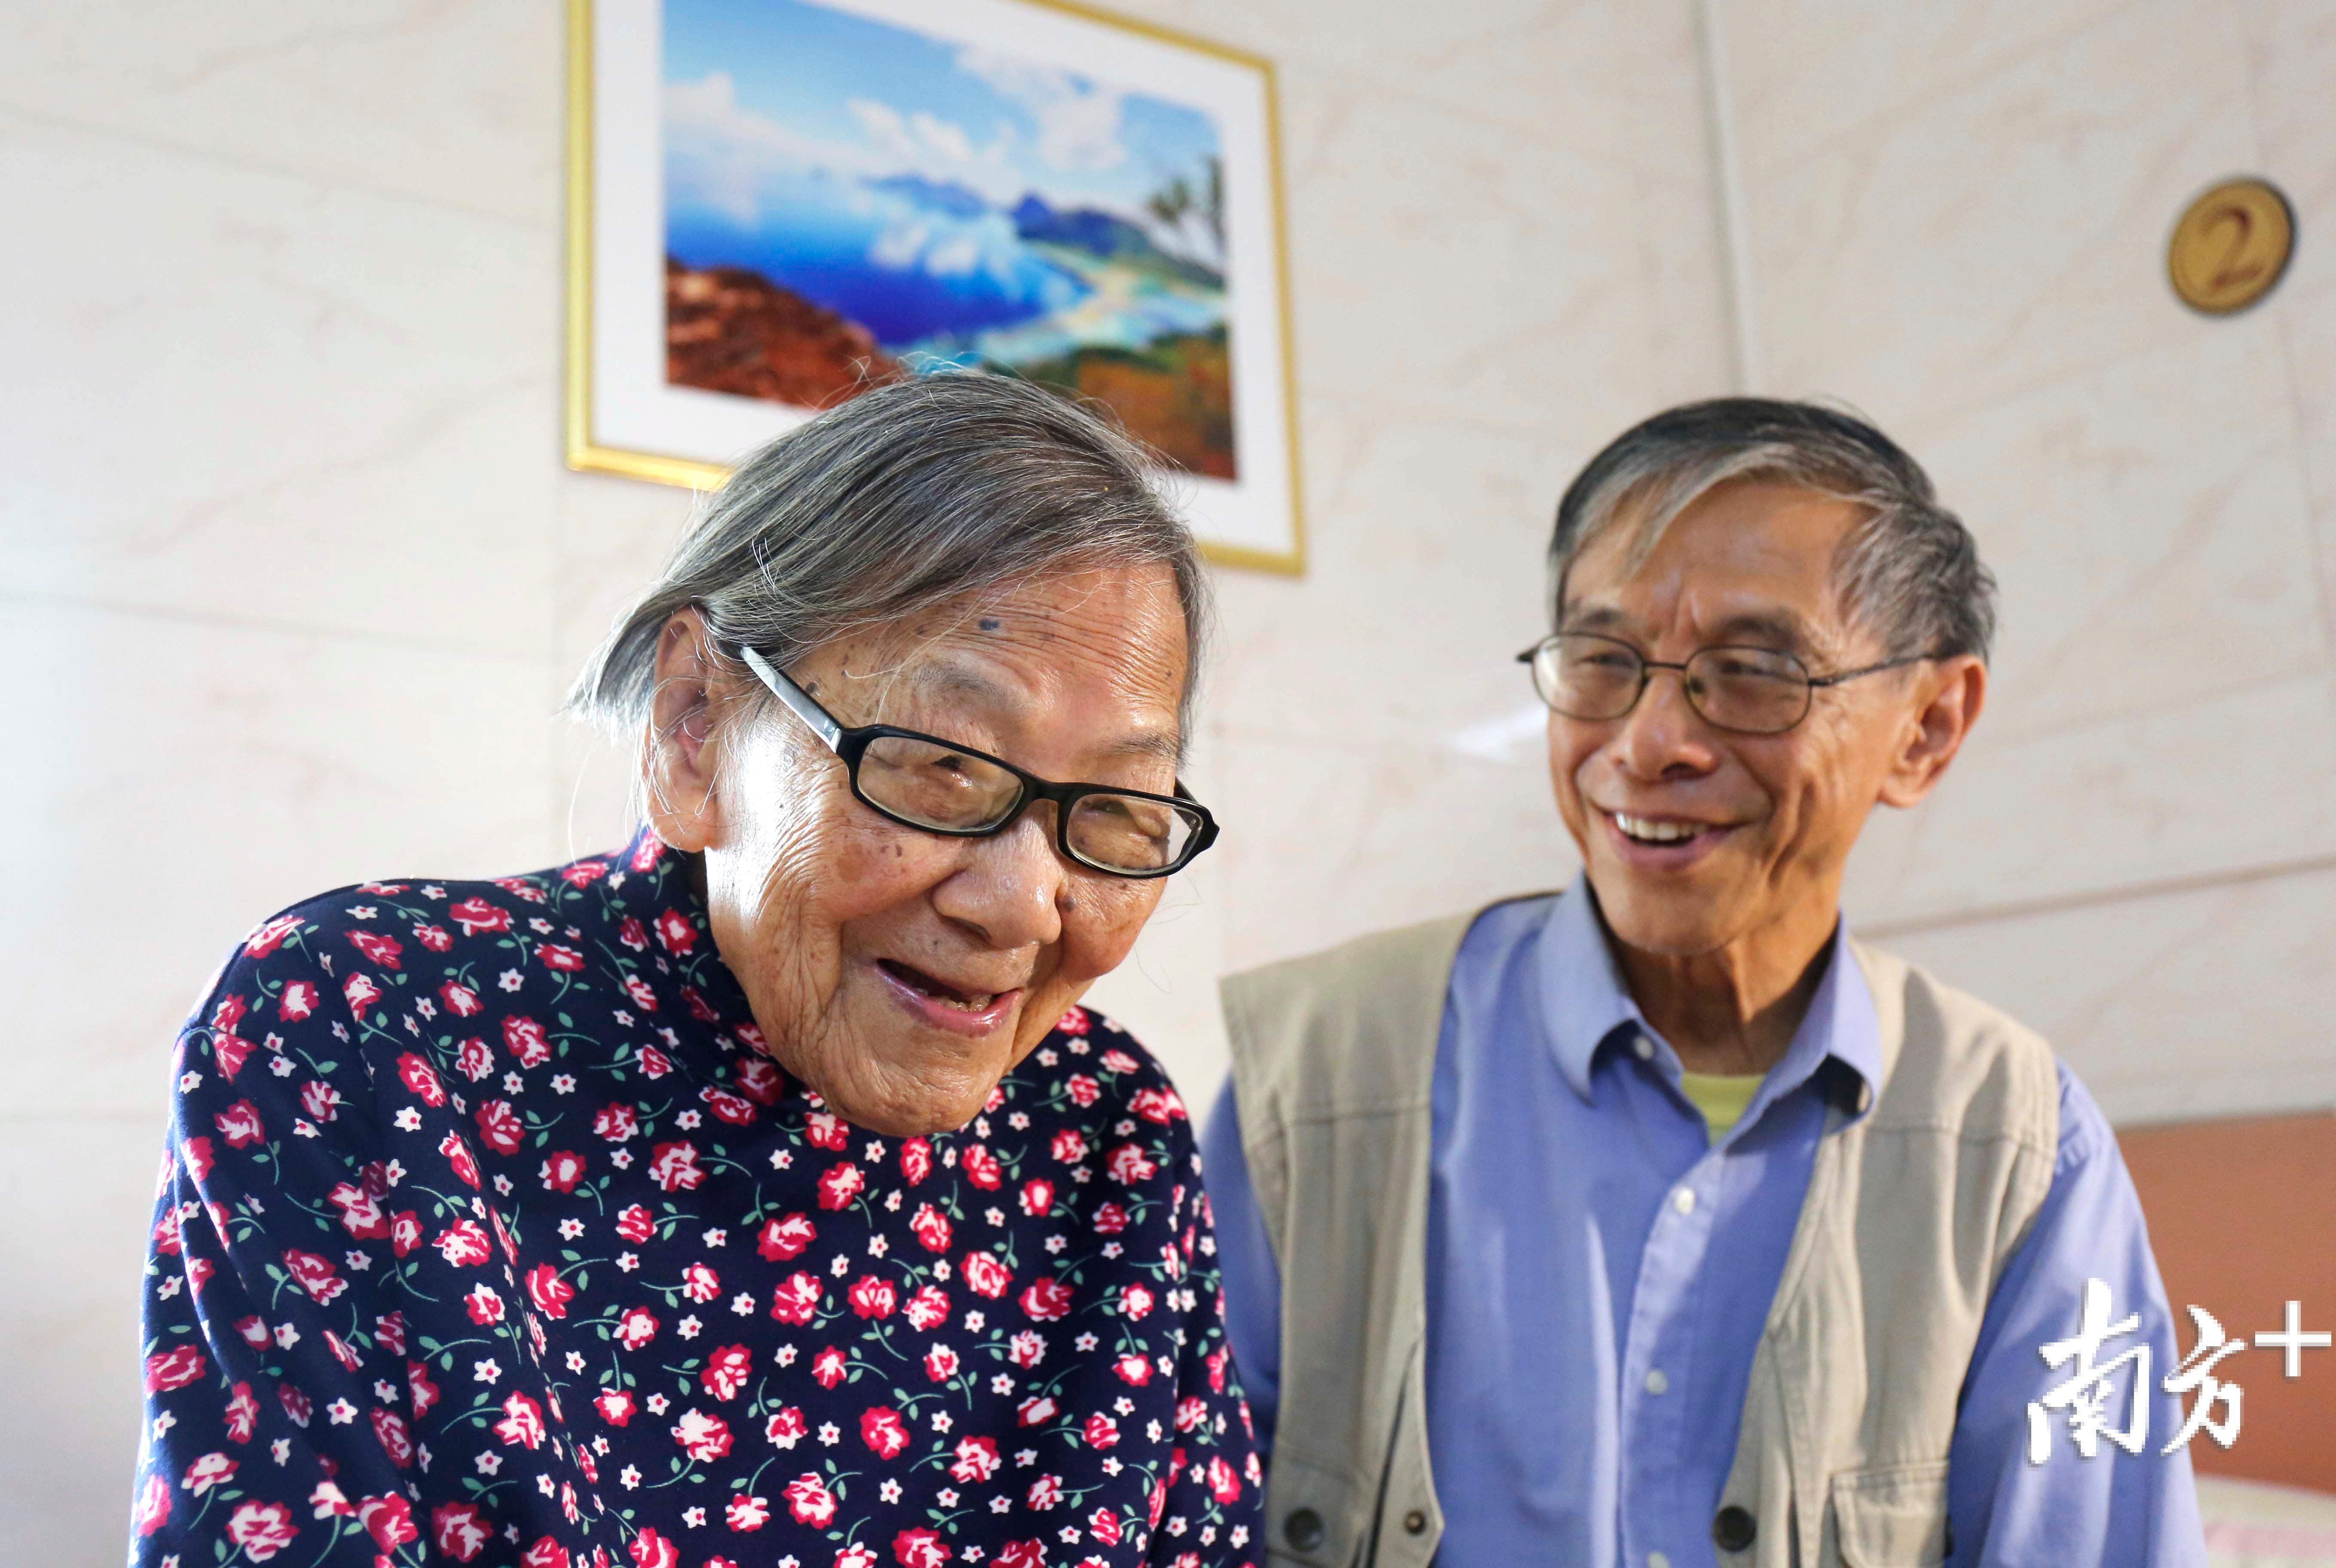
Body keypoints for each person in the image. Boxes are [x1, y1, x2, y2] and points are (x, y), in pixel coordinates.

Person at [130, 374, 1263, 1568]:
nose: (1025, 904)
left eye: (1116, 807)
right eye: (942, 765)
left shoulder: (1105, 1129)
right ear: (696, 724)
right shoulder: (364, 1025)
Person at [1202, 399, 2204, 1567]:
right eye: (1603, 662)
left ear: (1926, 728)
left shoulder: (2013, 1146)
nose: (1648, 742)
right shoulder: (1315, 1084)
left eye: (1753, 672)